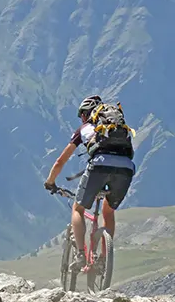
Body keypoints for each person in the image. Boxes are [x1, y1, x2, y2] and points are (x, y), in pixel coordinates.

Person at [44, 95, 136, 270]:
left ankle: (80, 255)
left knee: (78, 209)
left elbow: (60, 162)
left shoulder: (84, 129)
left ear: (85, 115)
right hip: (126, 168)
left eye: (81, 116)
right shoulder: (117, 128)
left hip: (99, 166)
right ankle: (103, 259)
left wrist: (50, 181)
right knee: (108, 211)